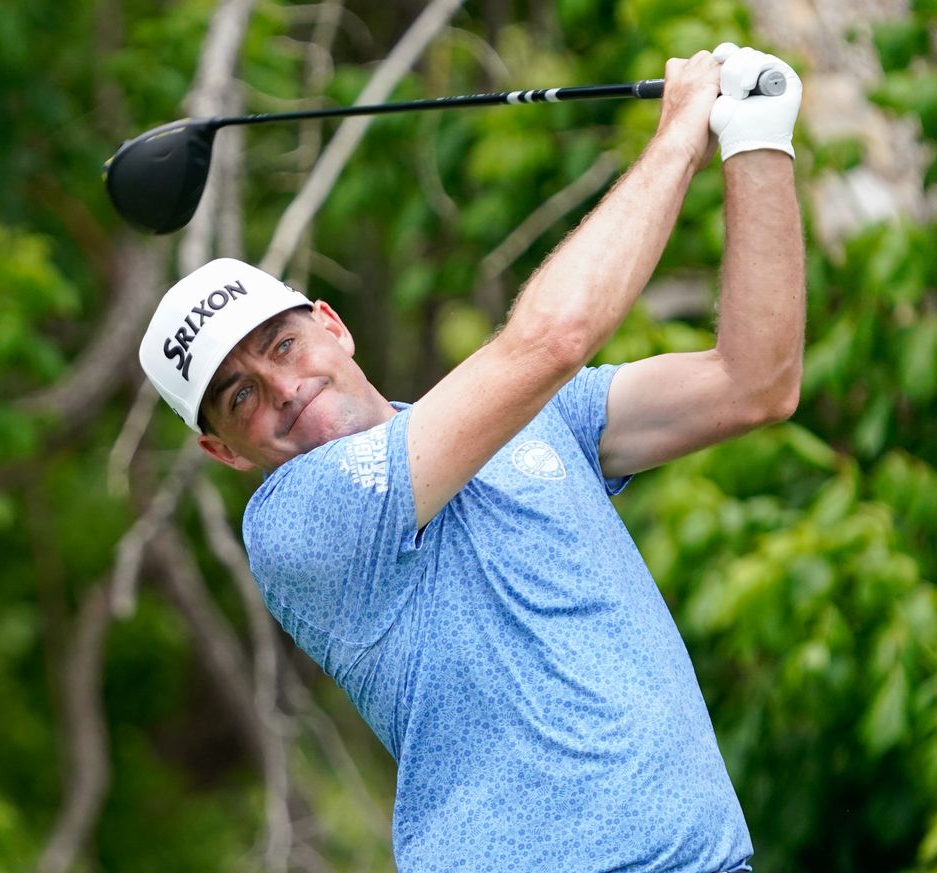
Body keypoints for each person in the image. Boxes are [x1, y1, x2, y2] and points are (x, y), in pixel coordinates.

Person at [139, 43, 804, 873]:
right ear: (220, 450)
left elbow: (754, 382)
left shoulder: (533, 419)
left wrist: (756, 144)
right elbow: (552, 338)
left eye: (282, 344)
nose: (279, 387)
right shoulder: (298, 522)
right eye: (237, 395)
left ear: (331, 324)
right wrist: (677, 137)